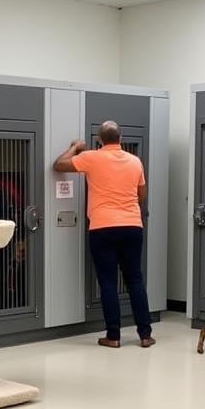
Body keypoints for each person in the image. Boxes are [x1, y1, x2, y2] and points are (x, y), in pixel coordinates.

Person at [54, 120, 154, 349]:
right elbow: (141, 196)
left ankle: (114, 336)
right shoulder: (135, 161)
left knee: (108, 282)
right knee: (135, 280)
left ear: (100, 140)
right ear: (121, 138)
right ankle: (145, 334)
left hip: (102, 228)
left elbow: (59, 165)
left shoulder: (91, 157)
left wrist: (75, 147)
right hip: (132, 226)